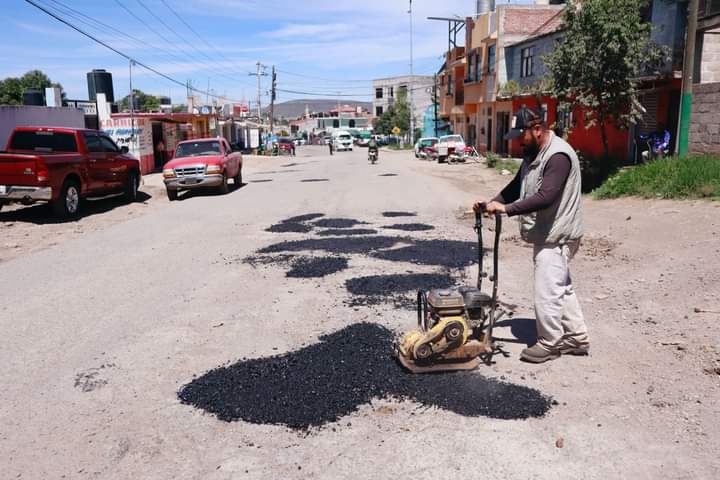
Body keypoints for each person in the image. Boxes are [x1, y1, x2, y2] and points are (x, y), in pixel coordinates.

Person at [473, 106, 589, 363]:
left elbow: (546, 197)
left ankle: (550, 342)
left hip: (558, 235)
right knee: (561, 287)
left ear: (537, 130)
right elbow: (516, 186)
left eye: (520, 135)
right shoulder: (533, 153)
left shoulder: (558, 156)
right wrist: (492, 204)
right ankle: (577, 338)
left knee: (547, 290)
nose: (517, 141)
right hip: (548, 233)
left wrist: (507, 209)